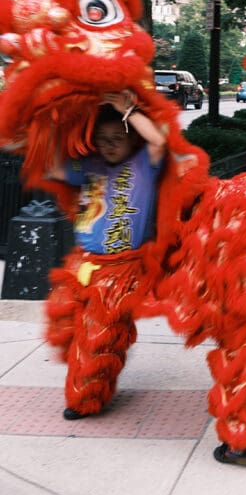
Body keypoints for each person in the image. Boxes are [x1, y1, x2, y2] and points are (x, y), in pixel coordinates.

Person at [44, 90, 167, 417]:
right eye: (102, 139)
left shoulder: (144, 162)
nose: (109, 144)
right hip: (81, 263)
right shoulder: (90, 164)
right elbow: (55, 170)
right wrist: (57, 124)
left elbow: (158, 141)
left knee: (99, 336)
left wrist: (129, 111)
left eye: (116, 137)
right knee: (67, 328)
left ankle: (85, 399)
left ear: (131, 138)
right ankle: (91, 381)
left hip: (121, 269)